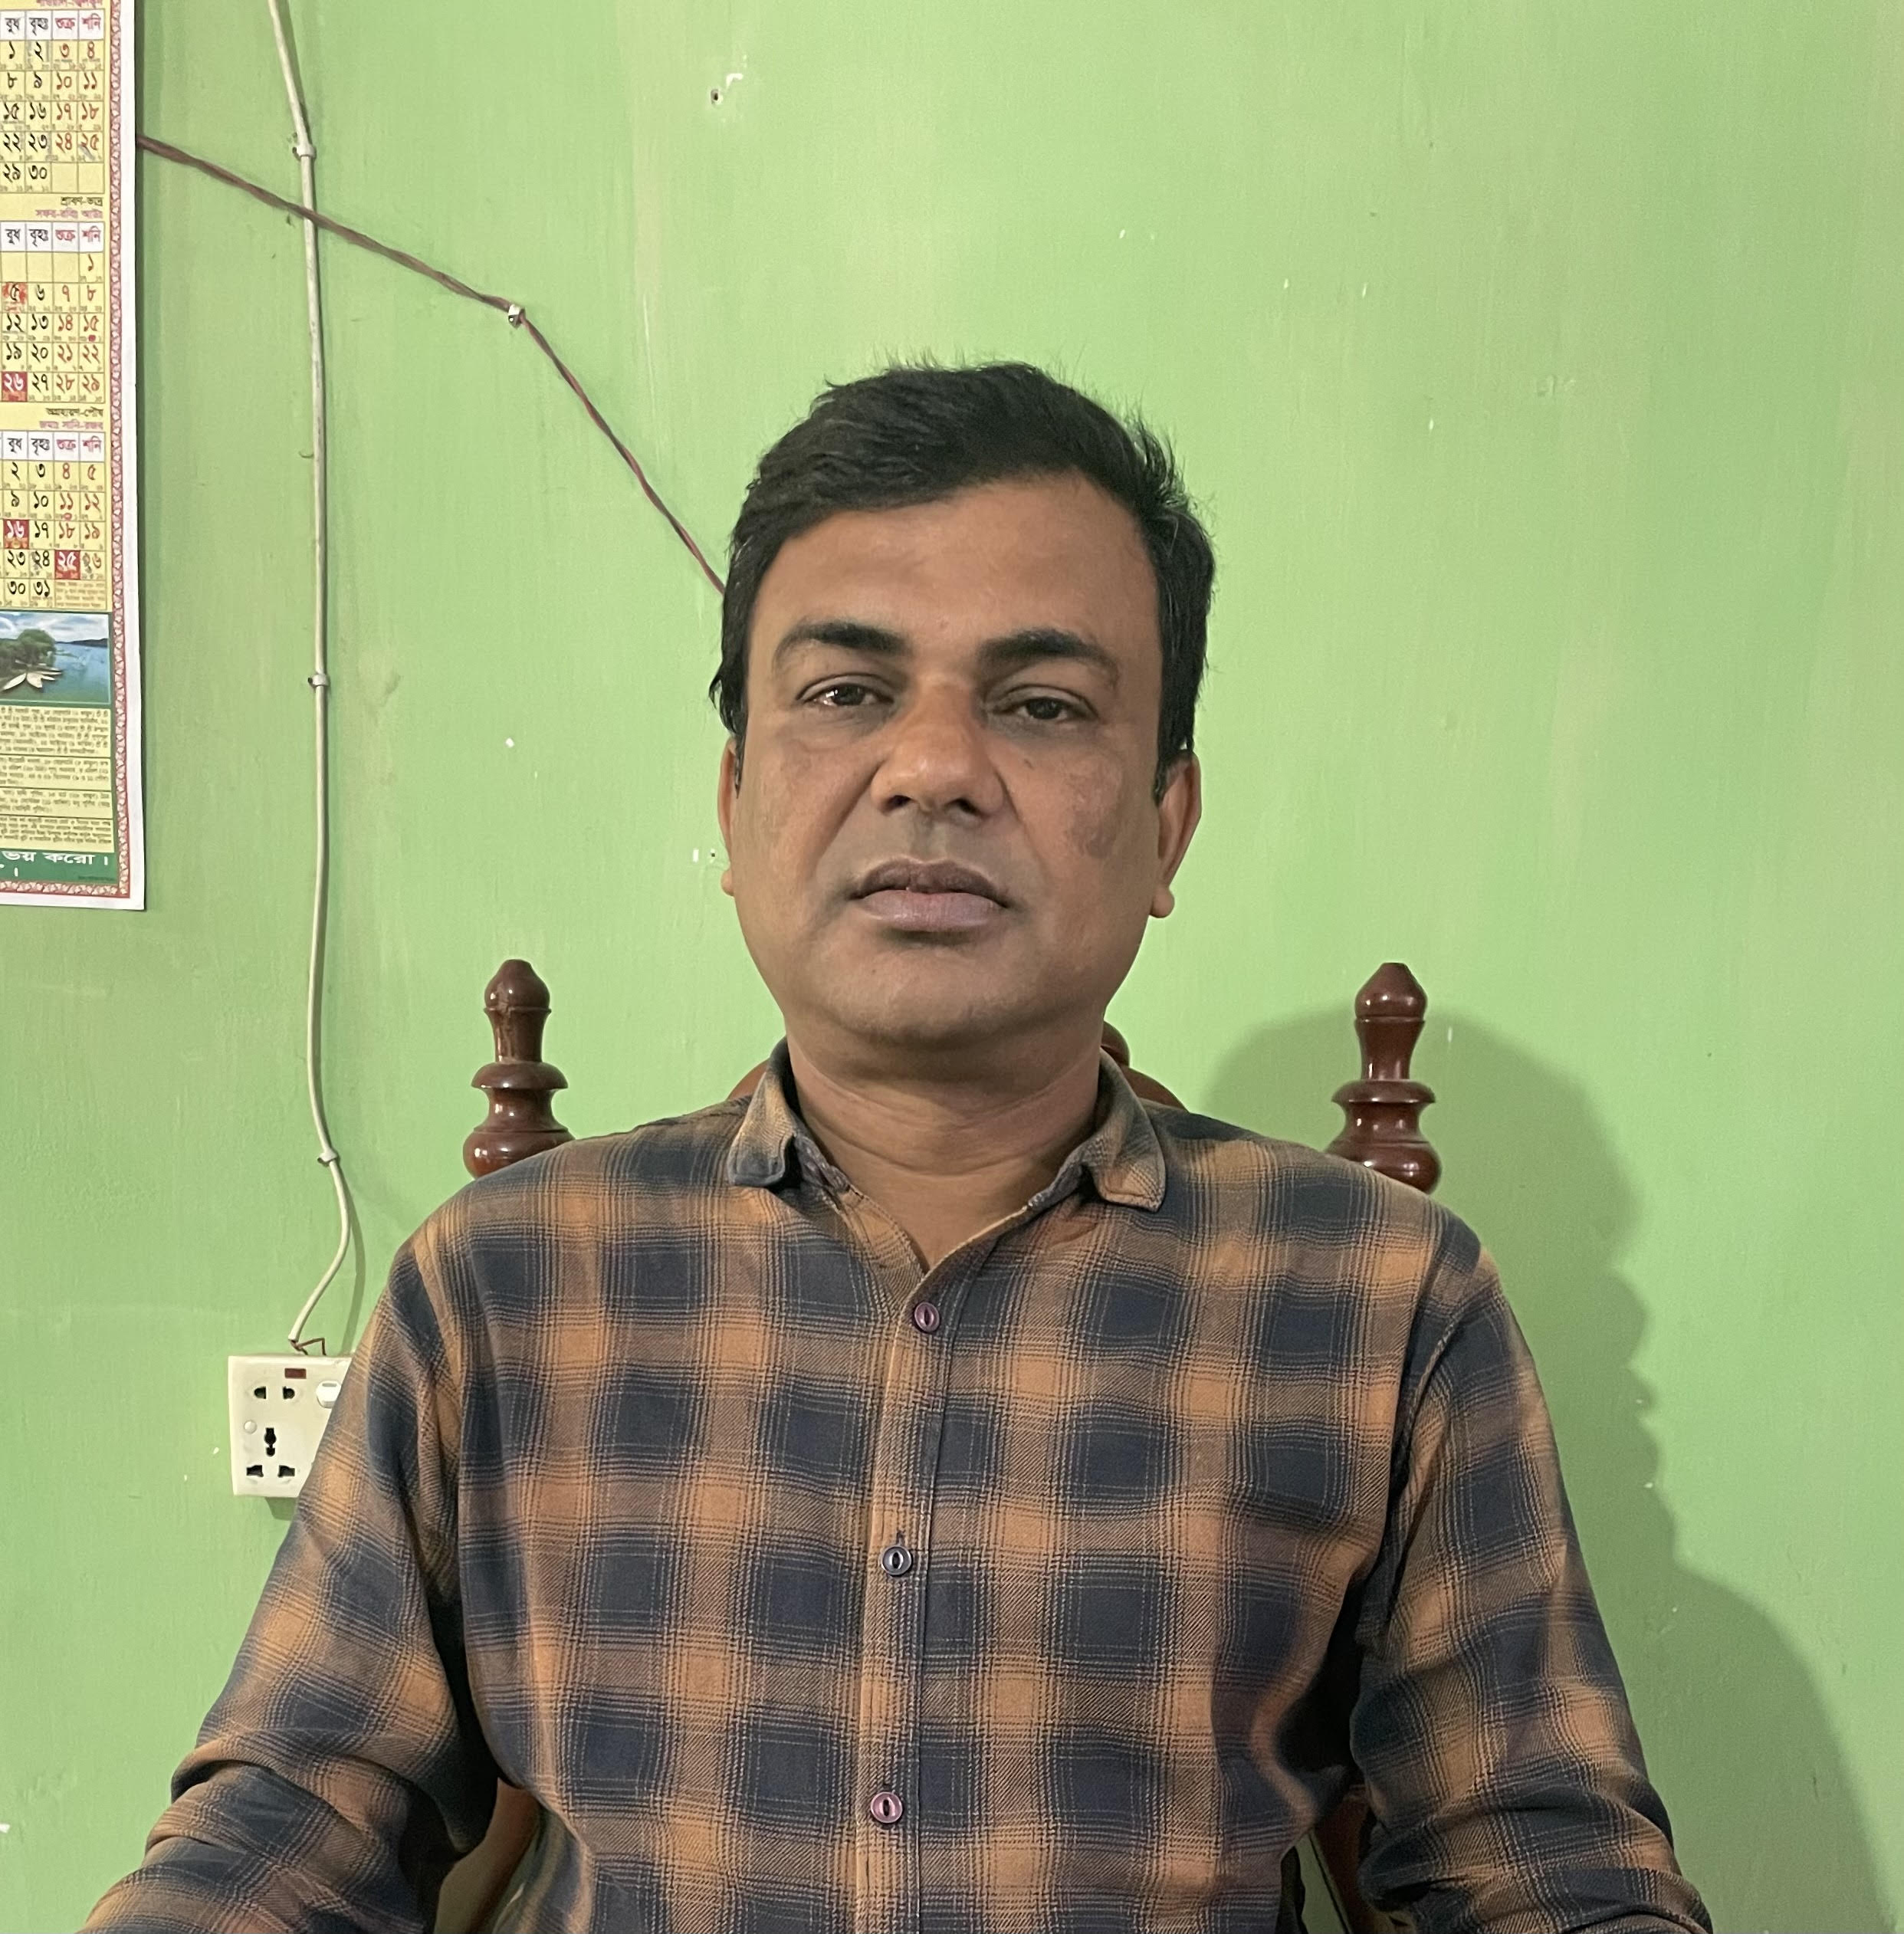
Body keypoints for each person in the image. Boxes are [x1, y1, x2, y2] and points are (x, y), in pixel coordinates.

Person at [87, 363, 1709, 1934]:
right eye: (848, 692)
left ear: (1167, 825)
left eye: (1042, 704)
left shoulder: (1379, 1304)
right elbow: (291, 1826)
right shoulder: (503, 1288)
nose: (932, 767)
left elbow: (1541, 1861)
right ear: (737, 803)